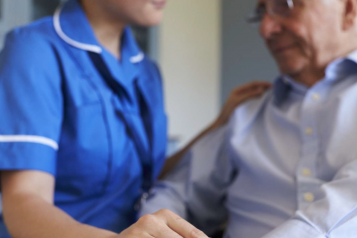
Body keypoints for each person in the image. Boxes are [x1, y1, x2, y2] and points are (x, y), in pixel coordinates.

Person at [0, 0, 270, 237]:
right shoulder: (34, 49)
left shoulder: (146, 70)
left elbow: (146, 173)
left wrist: (218, 123)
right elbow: (24, 200)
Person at [139, 0, 357, 237]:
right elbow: (176, 193)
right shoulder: (246, 112)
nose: (265, 29)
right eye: (261, 12)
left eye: (285, 5)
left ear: (348, 10)